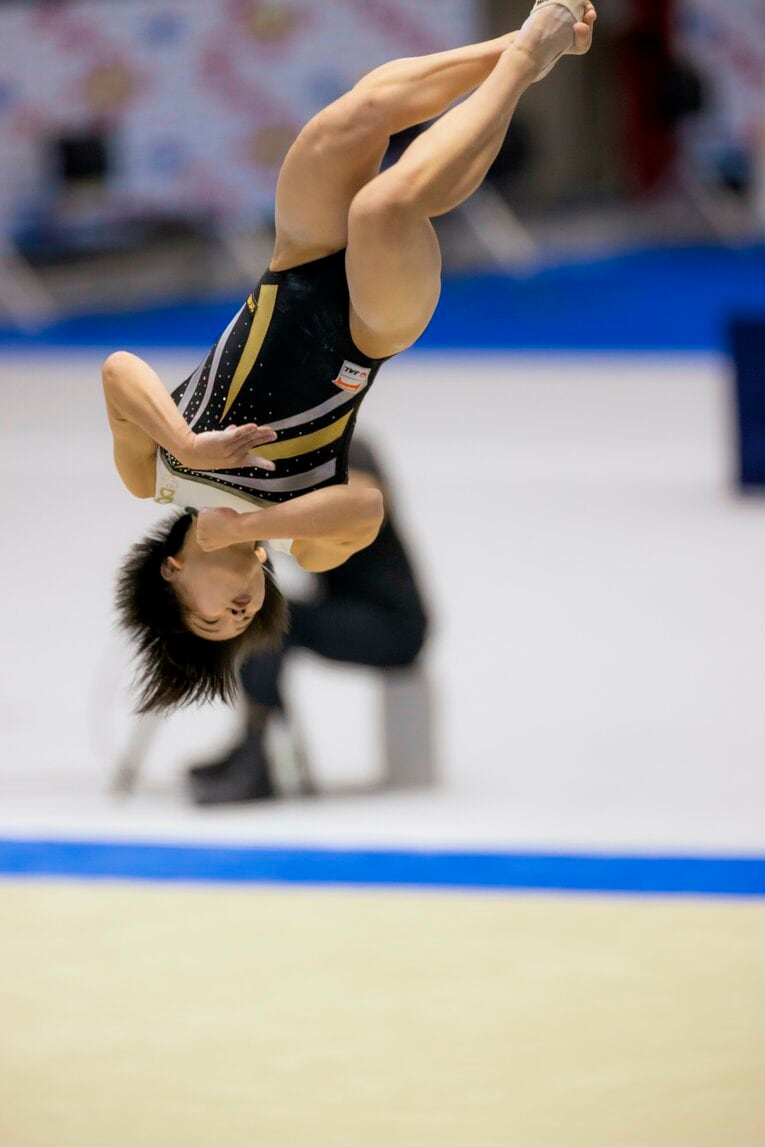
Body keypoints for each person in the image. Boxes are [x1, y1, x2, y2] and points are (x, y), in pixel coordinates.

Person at [103, 1, 597, 712]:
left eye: (208, 618)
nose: (234, 616)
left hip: (293, 264)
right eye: (238, 626)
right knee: (383, 208)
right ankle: (523, 66)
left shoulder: (153, 474)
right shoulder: (303, 543)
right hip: (368, 328)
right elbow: (365, 508)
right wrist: (252, 525)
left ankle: (523, 41)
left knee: (351, 119)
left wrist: (184, 441)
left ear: (172, 572)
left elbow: (118, 371)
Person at [188, 438, 429, 805]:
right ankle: (253, 745)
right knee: (263, 614)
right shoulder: (298, 458)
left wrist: (260, 516)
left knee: (278, 619)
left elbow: (365, 504)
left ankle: (256, 754)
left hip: (393, 626)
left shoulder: (350, 452)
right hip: (348, 609)